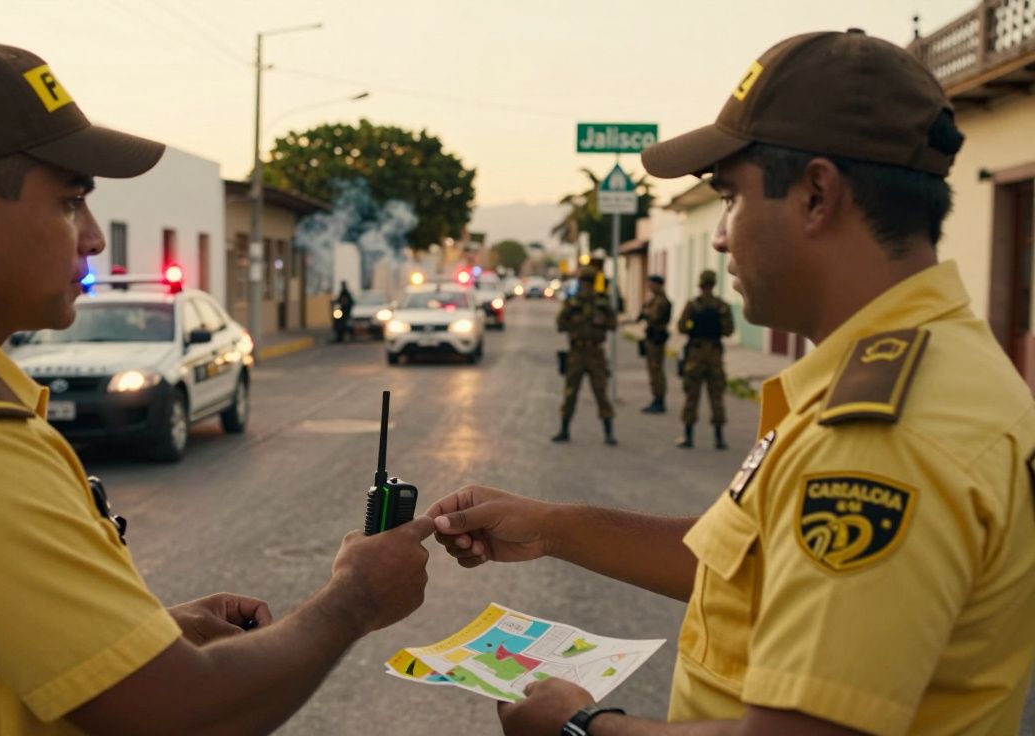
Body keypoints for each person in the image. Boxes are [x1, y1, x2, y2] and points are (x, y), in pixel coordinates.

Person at [0, 42, 435, 735]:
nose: (96, 238)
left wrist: (137, 638)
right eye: (71, 201)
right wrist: (356, 598)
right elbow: (180, 715)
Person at [425, 28, 1035, 736]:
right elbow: (751, 564)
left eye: (731, 197)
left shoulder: (882, 437)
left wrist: (582, 729)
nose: (719, 236)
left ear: (815, 195)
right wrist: (553, 527)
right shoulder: (932, 363)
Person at [552, 265, 617, 446]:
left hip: (596, 352)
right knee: (570, 392)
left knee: (601, 392)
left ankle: (608, 431)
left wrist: (601, 322)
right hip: (577, 352)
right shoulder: (573, 304)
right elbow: (560, 324)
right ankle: (564, 429)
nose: (586, 287)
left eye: (589, 283)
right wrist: (574, 321)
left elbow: (613, 324)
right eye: (584, 283)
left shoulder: (602, 303)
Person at [676, 269, 734, 449]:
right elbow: (728, 330)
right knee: (716, 396)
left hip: (696, 353)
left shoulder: (693, 305)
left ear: (700, 284)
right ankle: (719, 438)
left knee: (691, 396)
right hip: (714, 355)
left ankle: (688, 436)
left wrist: (694, 327)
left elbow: (681, 327)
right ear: (714, 284)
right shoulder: (722, 306)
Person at [636, 274, 672, 414]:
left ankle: (659, 400)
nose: (649, 287)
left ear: (658, 285)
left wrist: (646, 312)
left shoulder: (662, 301)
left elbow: (655, 316)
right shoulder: (654, 300)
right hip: (651, 337)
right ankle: (656, 398)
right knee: (653, 370)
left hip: (657, 338)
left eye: (652, 284)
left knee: (656, 370)